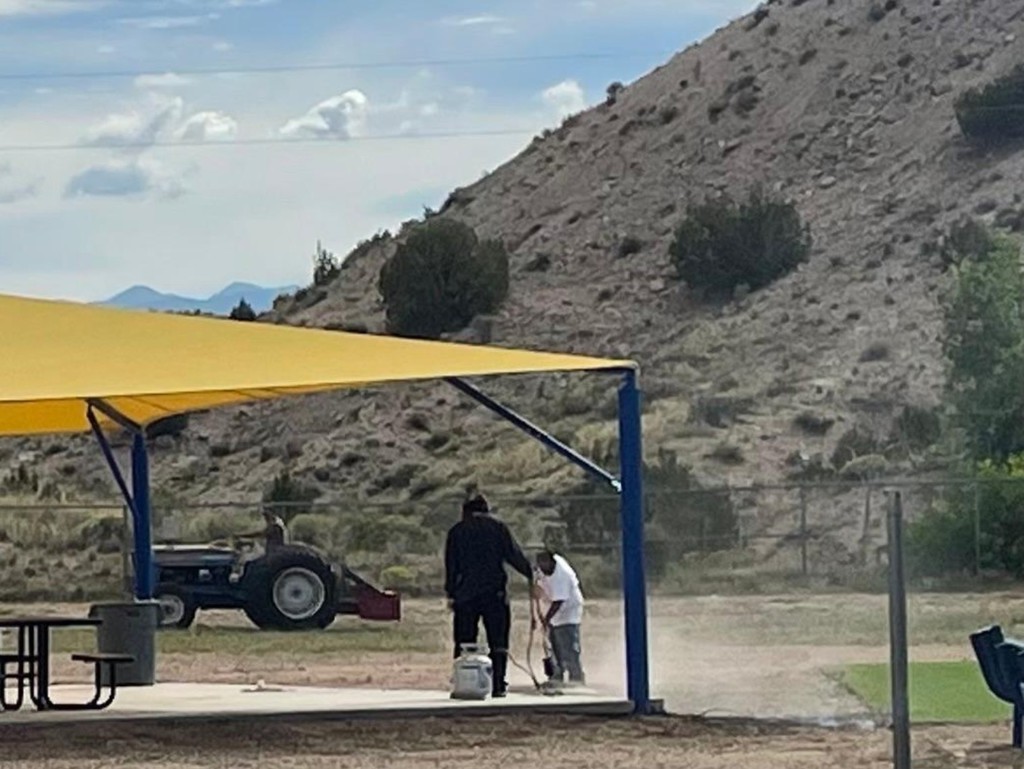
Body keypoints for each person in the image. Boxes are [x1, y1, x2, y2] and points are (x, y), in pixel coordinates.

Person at [444, 494, 532, 698]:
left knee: (465, 641)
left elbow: (451, 565)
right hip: (495, 593)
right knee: (498, 641)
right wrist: (530, 573)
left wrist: (451, 593)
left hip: (465, 594)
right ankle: (498, 685)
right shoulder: (498, 528)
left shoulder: (457, 531)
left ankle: (464, 684)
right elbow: (513, 555)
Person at [535, 549, 585, 686]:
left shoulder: (561, 575)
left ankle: (576, 678)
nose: (542, 566)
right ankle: (557, 675)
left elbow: (559, 601)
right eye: (540, 563)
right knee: (553, 645)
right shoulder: (544, 569)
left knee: (568, 646)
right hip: (554, 612)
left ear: (552, 562)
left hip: (568, 612)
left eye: (544, 563)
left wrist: (546, 619)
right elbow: (540, 584)